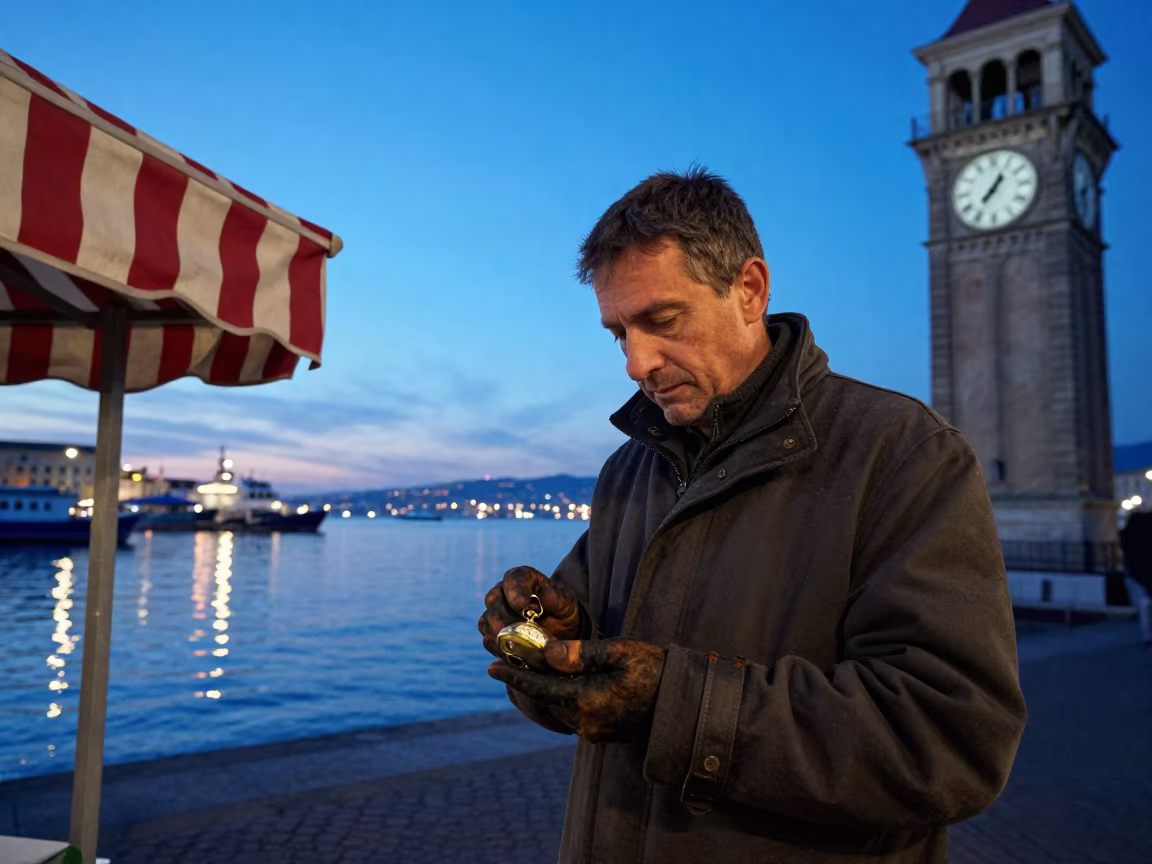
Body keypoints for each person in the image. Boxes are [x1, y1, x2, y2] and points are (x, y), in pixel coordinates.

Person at [478, 167, 1027, 863]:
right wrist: (551, 636)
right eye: (618, 333)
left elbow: (949, 739)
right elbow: (592, 667)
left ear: (749, 290)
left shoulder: (903, 455)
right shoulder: (630, 471)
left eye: (662, 320)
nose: (635, 361)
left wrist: (672, 707)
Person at [1120, 510, 1152, 647]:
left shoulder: (1129, 537)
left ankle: (1148, 637)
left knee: (1144, 607)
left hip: (1138, 576)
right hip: (1143, 574)